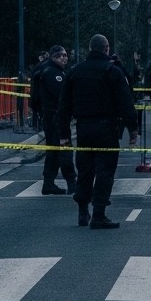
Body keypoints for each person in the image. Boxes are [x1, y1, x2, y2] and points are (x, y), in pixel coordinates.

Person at [59, 34, 140, 229]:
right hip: (107, 128)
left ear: (89, 49)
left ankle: (82, 210)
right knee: (105, 171)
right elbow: (126, 102)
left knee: (85, 170)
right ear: (107, 49)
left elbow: (63, 106)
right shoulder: (112, 71)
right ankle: (99, 214)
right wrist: (133, 128)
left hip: (83, 128)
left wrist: (64, 135)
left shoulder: (74, 72)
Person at [33, 45, 76, 195]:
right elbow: (62, 95)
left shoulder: (49, 70)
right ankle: (71, 182)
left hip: (51, 116)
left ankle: (48, 183)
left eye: (65, 55)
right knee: (64, 149)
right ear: (53, 57)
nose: (65, 58)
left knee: (53, 151)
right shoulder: (52, 73)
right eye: (61, 55)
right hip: (55, 117)